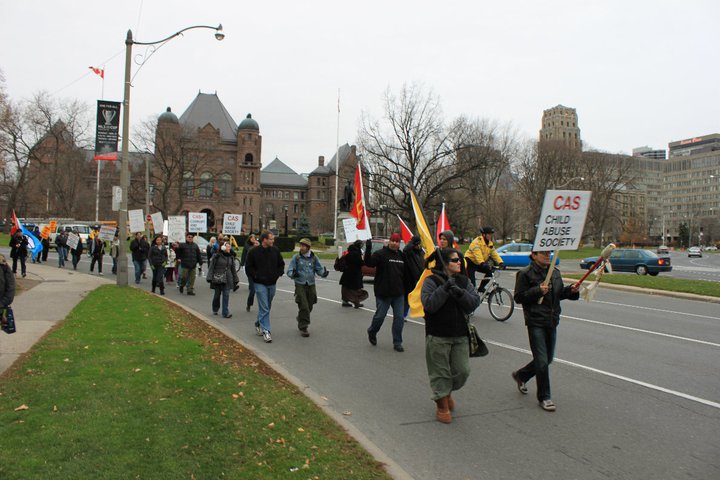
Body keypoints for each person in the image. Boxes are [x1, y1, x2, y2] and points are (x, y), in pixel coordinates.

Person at [512, 250, 580, 412]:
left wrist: (571, 291)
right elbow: (519, 297)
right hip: (535, 321)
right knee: (541, 361)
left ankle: (521, 375)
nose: (547, 256)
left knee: (547, 359)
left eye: (548, 253)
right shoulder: (525, 274)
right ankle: (545, 397)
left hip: (552, 320)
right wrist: (537, 291)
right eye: (542, 253)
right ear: (534, 255)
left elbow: (559, 294)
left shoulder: (555, 273)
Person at [421, 247, 481, 423]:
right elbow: (429, 305)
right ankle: (441, 406)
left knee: (462, 371)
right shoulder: (431, 281)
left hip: (460, 335)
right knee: (440, 373)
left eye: (459, 260)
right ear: (445, 263)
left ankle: (446, 392)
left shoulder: (464, 281)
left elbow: (473, 303)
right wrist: (445, 288)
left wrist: (460, 292)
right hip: (437, 335)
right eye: (455, 260)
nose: (459, 263)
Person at [364, 232, 407, 352]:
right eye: (392, 241)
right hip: (383, 293)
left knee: (399, 318)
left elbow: (406, 274)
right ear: (389, 242)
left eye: (397, 241)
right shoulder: (381, 254)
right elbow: (369, 263)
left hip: (398, 294)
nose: (394, 243)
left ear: (399, 243)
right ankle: (372, 331)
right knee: (380, 317)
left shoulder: (402, 256)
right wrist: (368, 249)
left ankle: (397, 342)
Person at [245, 230, 285, 343]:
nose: (273, 241)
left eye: (273, 239)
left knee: (267, 306)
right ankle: (266, 331)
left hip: (272, 283)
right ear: (264, 240)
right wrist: (255, 277)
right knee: (264, 307)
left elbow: (281, 264)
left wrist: (278, 274)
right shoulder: (254, 252)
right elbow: (249, 267)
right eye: (271, 239)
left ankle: (258, 323)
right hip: (259, 283)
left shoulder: (275, 250)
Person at [287, 238, 329, 337]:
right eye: (300, 245)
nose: (301, 248)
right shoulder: (296, 258)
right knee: (304, 305)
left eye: (303, 246)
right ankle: (303, 327)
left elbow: (319, 269)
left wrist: (323, 273)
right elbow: (289, 271)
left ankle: (301, 317)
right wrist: (293, 274)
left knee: (311, 303)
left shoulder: (314, 258)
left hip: (311, 284)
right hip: (300, 283)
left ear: (308, 247)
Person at [464, 227, 505, 291]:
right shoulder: (476, 242)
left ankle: (481, 288)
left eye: (491, 234)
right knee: (472, 284)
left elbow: (494, 253)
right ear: (484, 234)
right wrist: (482, 263)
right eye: (489, 234)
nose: (490, 236)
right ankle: (471, 297)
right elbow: (478, 254)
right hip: (470, 262)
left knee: (490, 273)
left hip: (479, 263)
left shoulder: (490, 243)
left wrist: (501, 262)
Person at [207, 240, 239, 318]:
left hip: (228, 279)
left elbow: (233, 269)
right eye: (227, 246)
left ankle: (225, 312)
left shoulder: (231, 257)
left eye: (229, 246)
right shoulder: (216, 256)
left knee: (226, 295)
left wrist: (236, 279)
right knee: (217, 295)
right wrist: (209, 277)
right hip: (218, 278)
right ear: (223, 247)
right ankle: (215, 309)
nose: (229, 248)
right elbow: (211, 267)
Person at [339, 240, 368, 309]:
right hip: (355, 273)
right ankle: (356, 302)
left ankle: (345, 301)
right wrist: (363, 259)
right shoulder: (357, 253)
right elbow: (360, 263)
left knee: (346, 288)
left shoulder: (349, 251)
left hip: (347, 273)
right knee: (356, 289)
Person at [402, 235, 424, 317]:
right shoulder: (409, 252)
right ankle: (403, 314)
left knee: (421, 297)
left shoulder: (421, 252)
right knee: (408, 297)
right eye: (417, 244)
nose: (419, 246)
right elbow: (405, 250)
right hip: (410, 278)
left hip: (420, 278)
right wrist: (411, 243)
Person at [240, 234, 260, 312]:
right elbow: (245, 258)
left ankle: (262, 306)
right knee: (253, 290)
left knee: (261, 291)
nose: (256, 243)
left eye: (257, 243)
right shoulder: (250, 250)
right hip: (251, 273)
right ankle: (249, 304)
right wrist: (242, 264)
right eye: (254, 242)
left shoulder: (261, 252)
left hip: (259, 274)